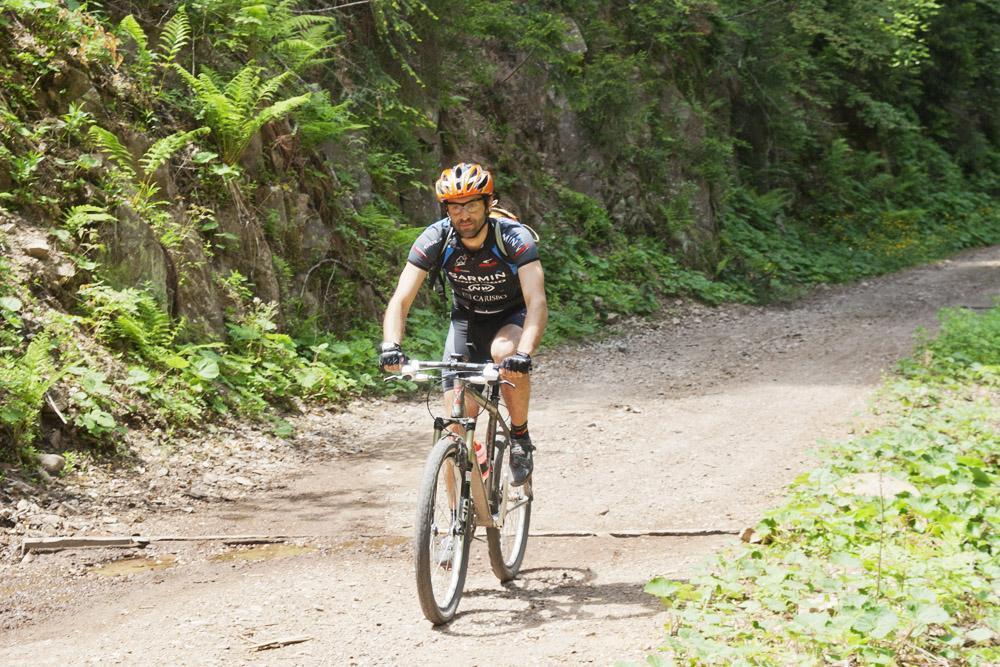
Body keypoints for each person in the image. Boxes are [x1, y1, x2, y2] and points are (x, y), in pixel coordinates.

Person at [379, 162, 547, 486]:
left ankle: (520, 437)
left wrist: (524, 353)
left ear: (488, 204)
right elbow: (400, 299)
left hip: (511, 318)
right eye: (455, 207)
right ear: (446, 210)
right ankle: (451, 531)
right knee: (455, 426)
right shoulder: (436, 238)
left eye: (471, 205)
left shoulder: (513, 238)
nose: (464, 215)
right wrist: (391, 346)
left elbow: (537, 301)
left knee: (504, 352)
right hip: (466, 322)